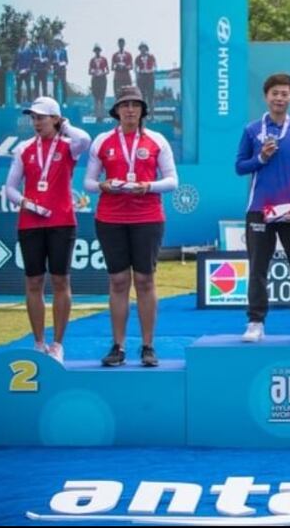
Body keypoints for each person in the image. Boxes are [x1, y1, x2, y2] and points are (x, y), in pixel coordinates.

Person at [84, 86, 177, 367]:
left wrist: (147, 186)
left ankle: (148, 346)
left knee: (145, 281)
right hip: (111, 219)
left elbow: (172, 180)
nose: (130, 110)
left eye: (135, 105)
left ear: (142, 110)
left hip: (147, 218)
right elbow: (88, 183)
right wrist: (102, 185)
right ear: (116, 110)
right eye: (125, 105)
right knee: (118, 281)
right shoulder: (102, 140)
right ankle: (118, 347)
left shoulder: (157, 140)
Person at [5, 96, 91, 364]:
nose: (36, 122)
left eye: (41, 117)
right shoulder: (24, 149)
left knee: (60, 281)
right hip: (30, 222)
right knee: (33, 281)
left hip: (62, 221)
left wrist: (64, 125)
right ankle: (39, 342)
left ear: (55, 118)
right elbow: (9, 188)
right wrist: (25, 202)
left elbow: (85, 140)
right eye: (33, 117)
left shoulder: (68, 146)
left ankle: (58, 344)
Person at [235, 72, 290, 343]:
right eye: (275, 93)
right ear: (266, 97)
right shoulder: (252, 130)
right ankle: (256, 321)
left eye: (284, 94)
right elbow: (240, 166)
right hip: (260, 209)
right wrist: (261, 157)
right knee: (258, 268)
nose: (279, 98)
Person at [134, 41, 157, 119]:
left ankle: (152, 115)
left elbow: (155, 66)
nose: (142, 50)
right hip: (142, 76)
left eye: (144, 48)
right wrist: (137, 76)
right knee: (142, 96)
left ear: (146, 48)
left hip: (149, 76)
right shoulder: (138, 58)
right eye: (141, 48)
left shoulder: (151, 56)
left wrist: (152, 72)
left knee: (151, 96)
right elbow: (135, 68)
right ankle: (144, 115)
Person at [89, 44, 110, 121]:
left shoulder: (104, 59)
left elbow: (108, 70)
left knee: (102, 97)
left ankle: (102, 114)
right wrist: (94, 72)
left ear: (100, 51)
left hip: (102, 79)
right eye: (96, 50)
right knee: (96, 97)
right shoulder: (92, 60)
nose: (97, 52)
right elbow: (89, 71)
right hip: (95, 79)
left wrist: (102, 72)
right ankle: (97, 115)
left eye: (98, 50)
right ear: (94, 51)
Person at [51, 38, 69, 104]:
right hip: (55, 70)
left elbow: (67, 61)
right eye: (56, 42)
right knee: (55, 86)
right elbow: (50, 61)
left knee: (63, 85)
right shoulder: (52, 51)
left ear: (60, 43)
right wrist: (54, 63)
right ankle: (55, 101)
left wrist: (61, 63)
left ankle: (64, 102)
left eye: (58, 42)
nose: (57, 43)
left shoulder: (64, 51)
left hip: (62, 70)